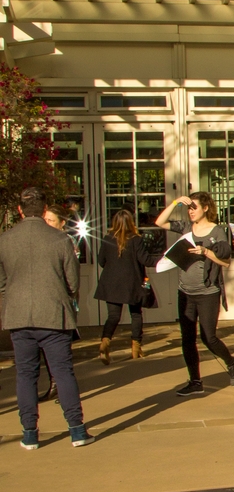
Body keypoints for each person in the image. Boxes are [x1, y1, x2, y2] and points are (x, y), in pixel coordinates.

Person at [0, 185, 93, 448]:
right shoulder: (60, 239)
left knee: (25, 374)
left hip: (19, 316)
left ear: (19, 210)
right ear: (43, 211)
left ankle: (29, 433)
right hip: (53, 314)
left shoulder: (5, 239)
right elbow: (73, 282)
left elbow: (2, 282)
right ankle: (76, 429)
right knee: (62, 372)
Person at [155, 192, 234, 397]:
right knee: (187, 338)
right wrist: (176, 202)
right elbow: (160, 222)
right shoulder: (187, 229)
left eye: (194, 207)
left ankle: (231, 362)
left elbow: (225, 261)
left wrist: (206, 252)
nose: (190, 211)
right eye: (189, 207)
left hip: (208, 292)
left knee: (208, 337)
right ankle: (195, 381)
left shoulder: (217, 231)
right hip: (185, 292)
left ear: (205, 208)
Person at [95, 208, 150, 364]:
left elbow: (101, 262)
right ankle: (135, 348)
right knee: (136, 314)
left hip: (111, 283)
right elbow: (145, 260)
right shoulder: (136, 239)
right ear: (131, 222)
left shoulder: (107, 238)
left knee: (113, 316)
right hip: (133, 283)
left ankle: (105, 343)